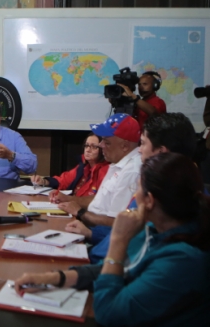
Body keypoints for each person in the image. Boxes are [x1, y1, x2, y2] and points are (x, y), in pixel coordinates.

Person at [14, 153, 210, 327]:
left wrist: (118, 239)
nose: (133, 198)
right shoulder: (156, 230)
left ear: (149, 201)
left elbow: (108, 311)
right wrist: (55, 278)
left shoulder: (184, 261)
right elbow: (114, 270)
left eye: (137, 190)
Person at [67, 112, 198, 262]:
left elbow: (127, 244)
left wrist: (85, 223)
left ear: (161, 153)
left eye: (142, 143)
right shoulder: (166, 190)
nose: (139, 150)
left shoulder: (156, 194)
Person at [58, 113, 141, 230]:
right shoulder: (118, 163)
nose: (101, 145)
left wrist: (80, 212)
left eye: (107, 142)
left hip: (97, 234)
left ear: (125, 146)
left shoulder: (131, 172)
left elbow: (117, 223)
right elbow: (100, 202)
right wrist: (72, 202)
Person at [31, 132, 109, 198]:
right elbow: (64, 180)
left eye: (94, 147)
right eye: (86, 145)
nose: (88, 150)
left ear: (103, 149)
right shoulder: (82, 167)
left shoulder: (105, 172)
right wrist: (43, 181)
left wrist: (69, 200)